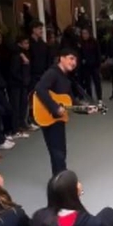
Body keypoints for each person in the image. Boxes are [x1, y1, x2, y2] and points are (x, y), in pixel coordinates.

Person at [33, 48, 89, 176]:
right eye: (71, 58)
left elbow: (71, 102)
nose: (74, 62)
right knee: (57, 151)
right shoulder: (53, 73)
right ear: (61, 58)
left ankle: (59, 179)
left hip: (57, 119)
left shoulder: (66, 79)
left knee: (59, 151)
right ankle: (62, 181)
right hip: (49, 115)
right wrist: (55, 107)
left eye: (76, 60)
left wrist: (86, 110)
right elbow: (40, 89)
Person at [8, 36, 32, 137]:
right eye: (25, 43)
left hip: (22, 84)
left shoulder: (25, 54)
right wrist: (23, 80)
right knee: (16, 107)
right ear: (19, 44)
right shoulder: (17, 56)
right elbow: (14, 71)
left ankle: (21, 125)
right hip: (16, 85)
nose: (27, 45)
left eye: (28, 43)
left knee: (23, 105)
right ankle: (16, 128)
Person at [78, 29, 102, 101]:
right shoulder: (81, 43)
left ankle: (99, 97)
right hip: (85, 66)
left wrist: (98, 63)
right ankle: (90, 97)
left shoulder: (94, 42)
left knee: (97, 81)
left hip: (94, 65)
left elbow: (98, 53)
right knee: (87, 83)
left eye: (86, 33)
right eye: (83, 33)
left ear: (89, 34)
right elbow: (80, 54)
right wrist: (82, 60)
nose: (84, 35)